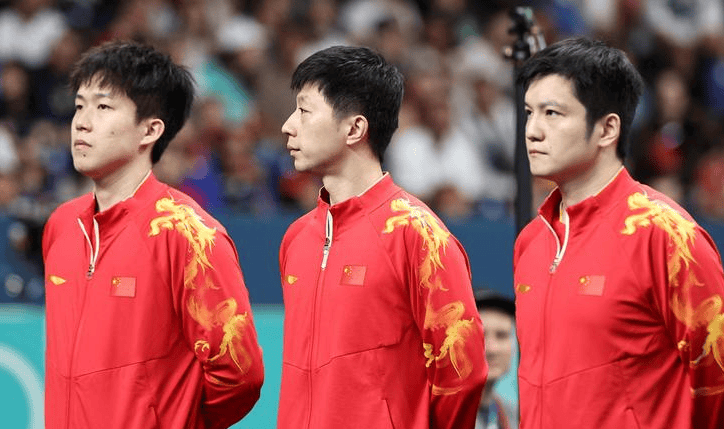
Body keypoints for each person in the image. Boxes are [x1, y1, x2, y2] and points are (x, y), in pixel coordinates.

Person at [42, 40, 264, 429]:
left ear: (150, 129)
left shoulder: (189, 234)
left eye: (103, 107)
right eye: (79, 106)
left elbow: (240, 373)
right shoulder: (62, 224)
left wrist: (173, 419)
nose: (82, 122)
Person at [513, 37, 724, 429]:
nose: (532, 131)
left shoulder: (667, 236)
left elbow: (716, 379)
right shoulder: (531, 241)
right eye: (529, 113)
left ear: (608, 128)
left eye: (552, 113)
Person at [277, 45, 487, 429]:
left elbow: (463, 371)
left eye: (304, 111)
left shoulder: (418, 234)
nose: (288, 126)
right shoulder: (297, 238)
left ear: (355, 128)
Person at [473, 289, 517, 429]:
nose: (492, 349)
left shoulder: (516, 417)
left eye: (501, 335)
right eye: (480, 335)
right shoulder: (429, 416)